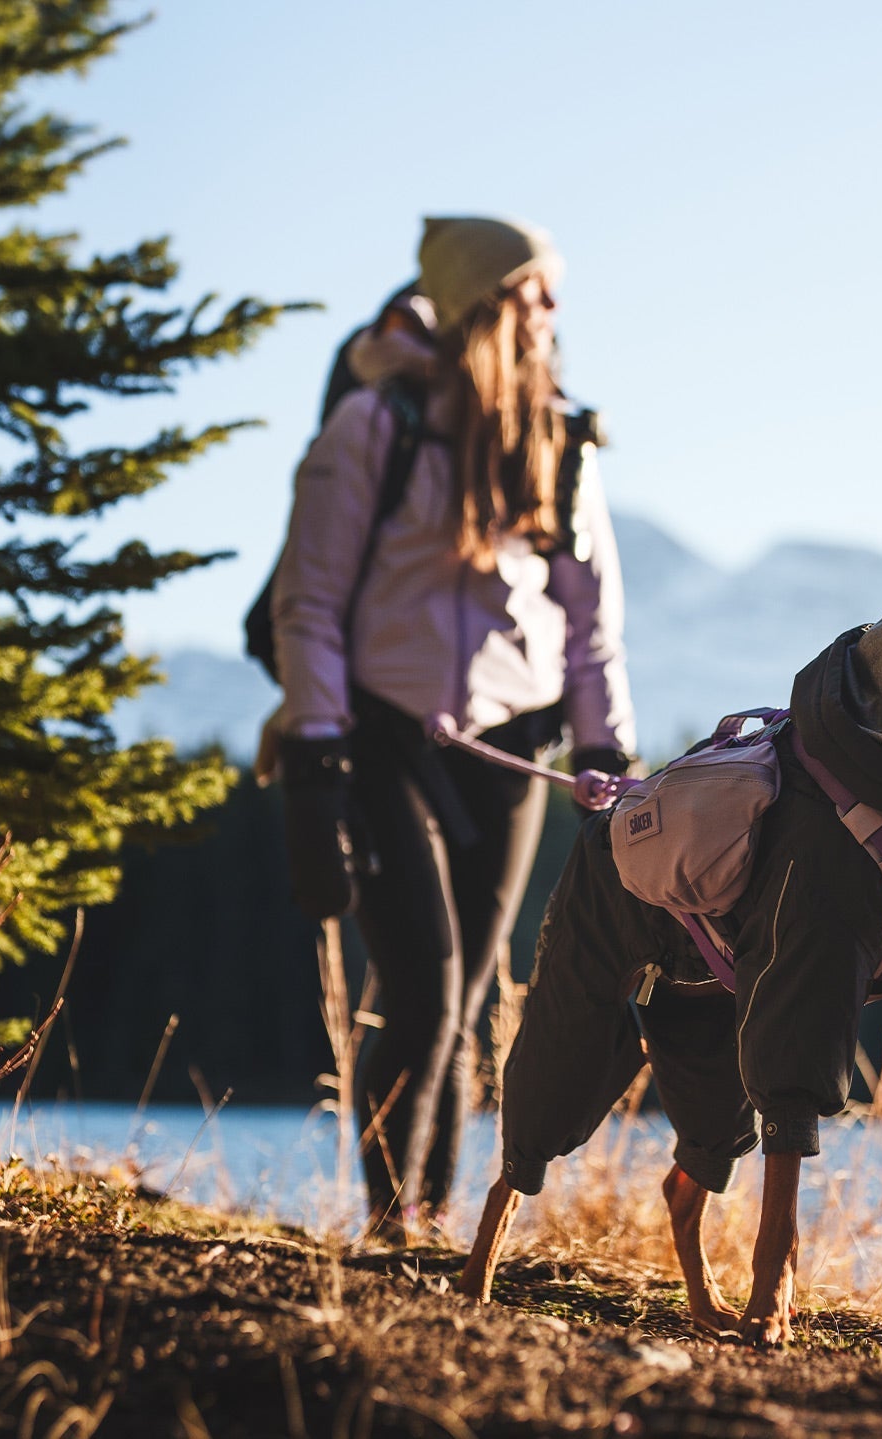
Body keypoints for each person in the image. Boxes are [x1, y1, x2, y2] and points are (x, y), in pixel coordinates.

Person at [270, 216, 636, 1241]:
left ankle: (425, 1216)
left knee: (472, 993)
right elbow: (311, 599)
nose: (553, 313)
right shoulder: (375, 429)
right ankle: (394, 1219)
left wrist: (607, 752)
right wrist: (314, 757)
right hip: (380, 740)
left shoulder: (562, 441)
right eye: (534, 291)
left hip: (514, 748)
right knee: (427, 989)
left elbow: (594, 617)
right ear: (483, 304)